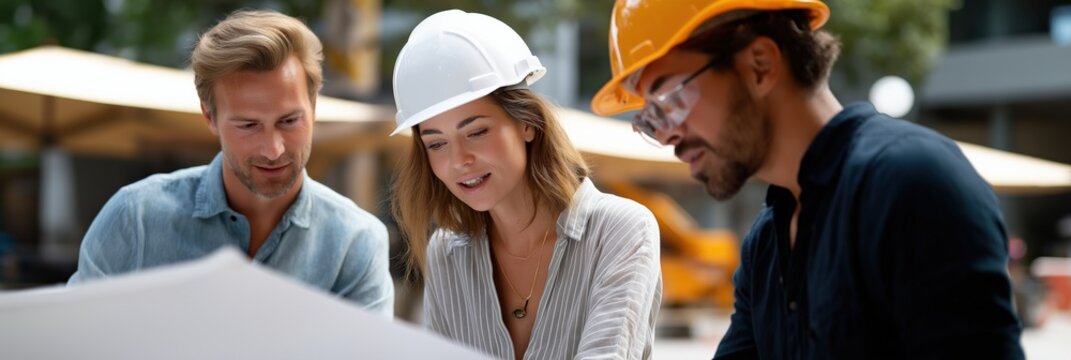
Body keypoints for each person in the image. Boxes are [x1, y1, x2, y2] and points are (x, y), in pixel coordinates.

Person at [593, 0, 1025, 358]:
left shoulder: (913, 183)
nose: (665, 133)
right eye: (649, 120)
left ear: (760, 64)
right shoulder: (766, 242)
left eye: (669, 100)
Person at [68, 10, 393, 317]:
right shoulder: (135, 220)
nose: (273, 149)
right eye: (248, 126)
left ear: (314, 106)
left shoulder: (356, 242)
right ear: (209, 117)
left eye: (289, 120)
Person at [390, 10, 662, 360]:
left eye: (476, 132)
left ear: (527, 124)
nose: (458, 160)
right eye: (436, 143)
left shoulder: (619, 230)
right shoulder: (447, 253)